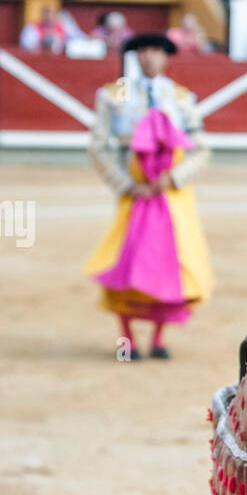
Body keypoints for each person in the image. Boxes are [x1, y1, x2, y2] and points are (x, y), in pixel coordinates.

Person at [84, 32, 213, 360]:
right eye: (143, 51)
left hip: (172, 195)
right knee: (126, 261)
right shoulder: (113, 96)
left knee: (169, 264)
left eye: (155, 51)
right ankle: (125, 337)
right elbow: (98, 147)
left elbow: (202, 149)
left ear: (165, 56)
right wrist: (127, 184)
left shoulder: (183, 98)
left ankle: (158, 338)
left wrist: (174, 178)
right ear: (135, 56)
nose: (149, 57)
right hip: (134, 193)